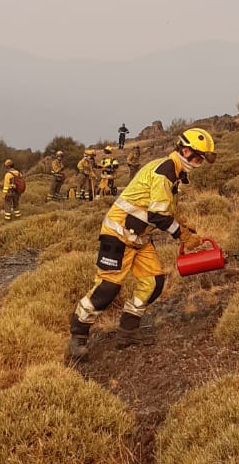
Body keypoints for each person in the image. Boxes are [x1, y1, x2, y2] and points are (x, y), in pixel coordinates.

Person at [69, 127, 215, 358]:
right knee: (107, 288)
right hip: (118, 234)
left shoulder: (174, 173)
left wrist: (183, 225)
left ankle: (127, 331)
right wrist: (183, 236)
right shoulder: (165, 171)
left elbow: (161, 208)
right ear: (185, 151)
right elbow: (158, 216)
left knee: (153, 282)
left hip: (139, 238)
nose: (198, 162)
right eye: (197, 157)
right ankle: (78, 334)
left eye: (202, 159)